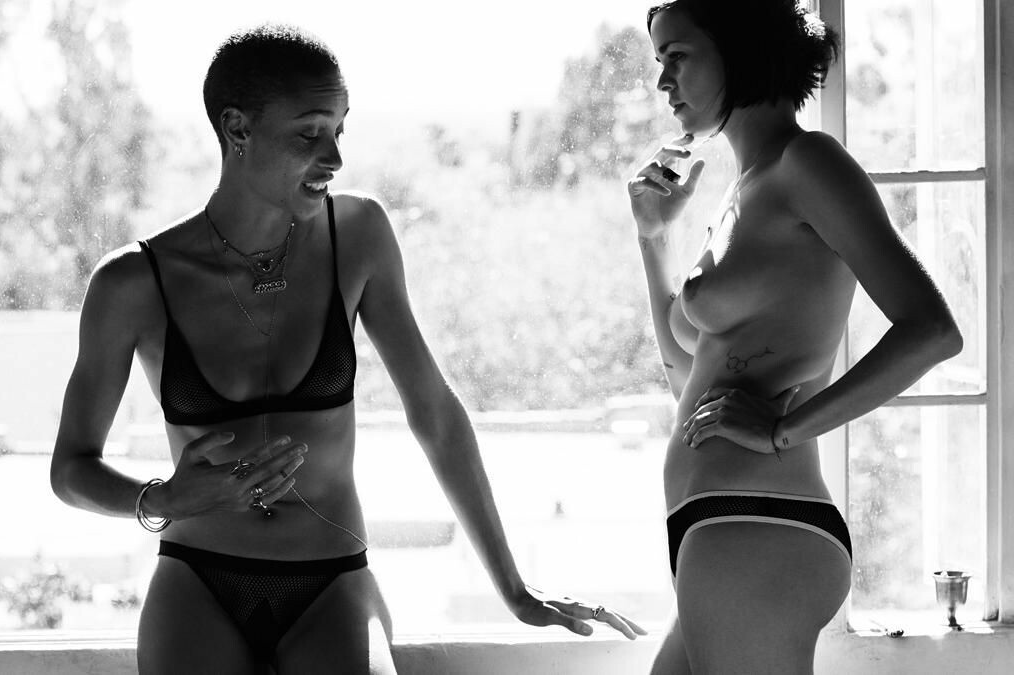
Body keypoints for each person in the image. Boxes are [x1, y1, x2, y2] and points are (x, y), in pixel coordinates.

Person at [50, 23, 644, 675]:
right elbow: (71, 467)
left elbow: (435, 413)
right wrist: (161, 499)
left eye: (340, 130)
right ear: (237, 128)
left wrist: (515, 589)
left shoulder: (357, 235)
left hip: (331, 584)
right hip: (197, 581)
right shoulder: (133, 283)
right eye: (310, 134)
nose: (334, 157)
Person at [628, 1, 963, 673]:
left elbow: (932, 331)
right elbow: (685, 373)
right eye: (659, 61)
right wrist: (652, 236)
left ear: (738, 49)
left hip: (758, 523)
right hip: (720, 524)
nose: (662, 82)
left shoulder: (808, 162)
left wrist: (784, 431)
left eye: (678, 57)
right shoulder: (743, 190)